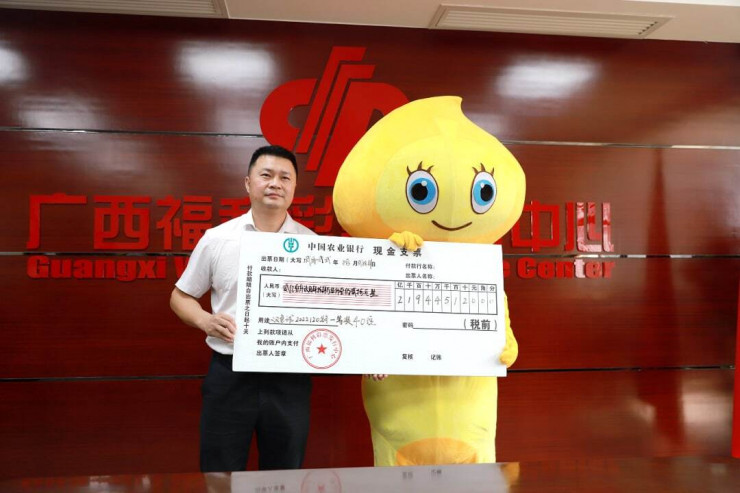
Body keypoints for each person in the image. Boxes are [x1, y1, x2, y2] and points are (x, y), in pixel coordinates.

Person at [170, 145, 316, 472]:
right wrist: (205, 320)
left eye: (285, 178)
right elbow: (179, 297)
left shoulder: (314, 246)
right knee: (219, 472)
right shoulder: (217, 239)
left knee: (285, 474)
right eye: (266, 175)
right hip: (230, 374)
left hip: (289, 378)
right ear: (248, 183)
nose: (275, 183)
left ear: (294, 187)